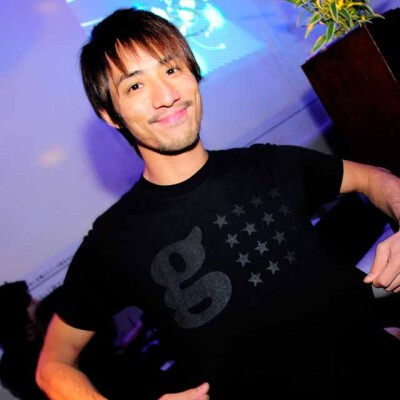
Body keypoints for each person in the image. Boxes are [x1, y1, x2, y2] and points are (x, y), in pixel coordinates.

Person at [35, 7, 400, 400]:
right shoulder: (115, 240)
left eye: (171, 69)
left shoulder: (268, 164)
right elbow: (52, 366)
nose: (166, 96)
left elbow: (374, 178)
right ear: (111, 114)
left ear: (193, 74)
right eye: (135, 86)